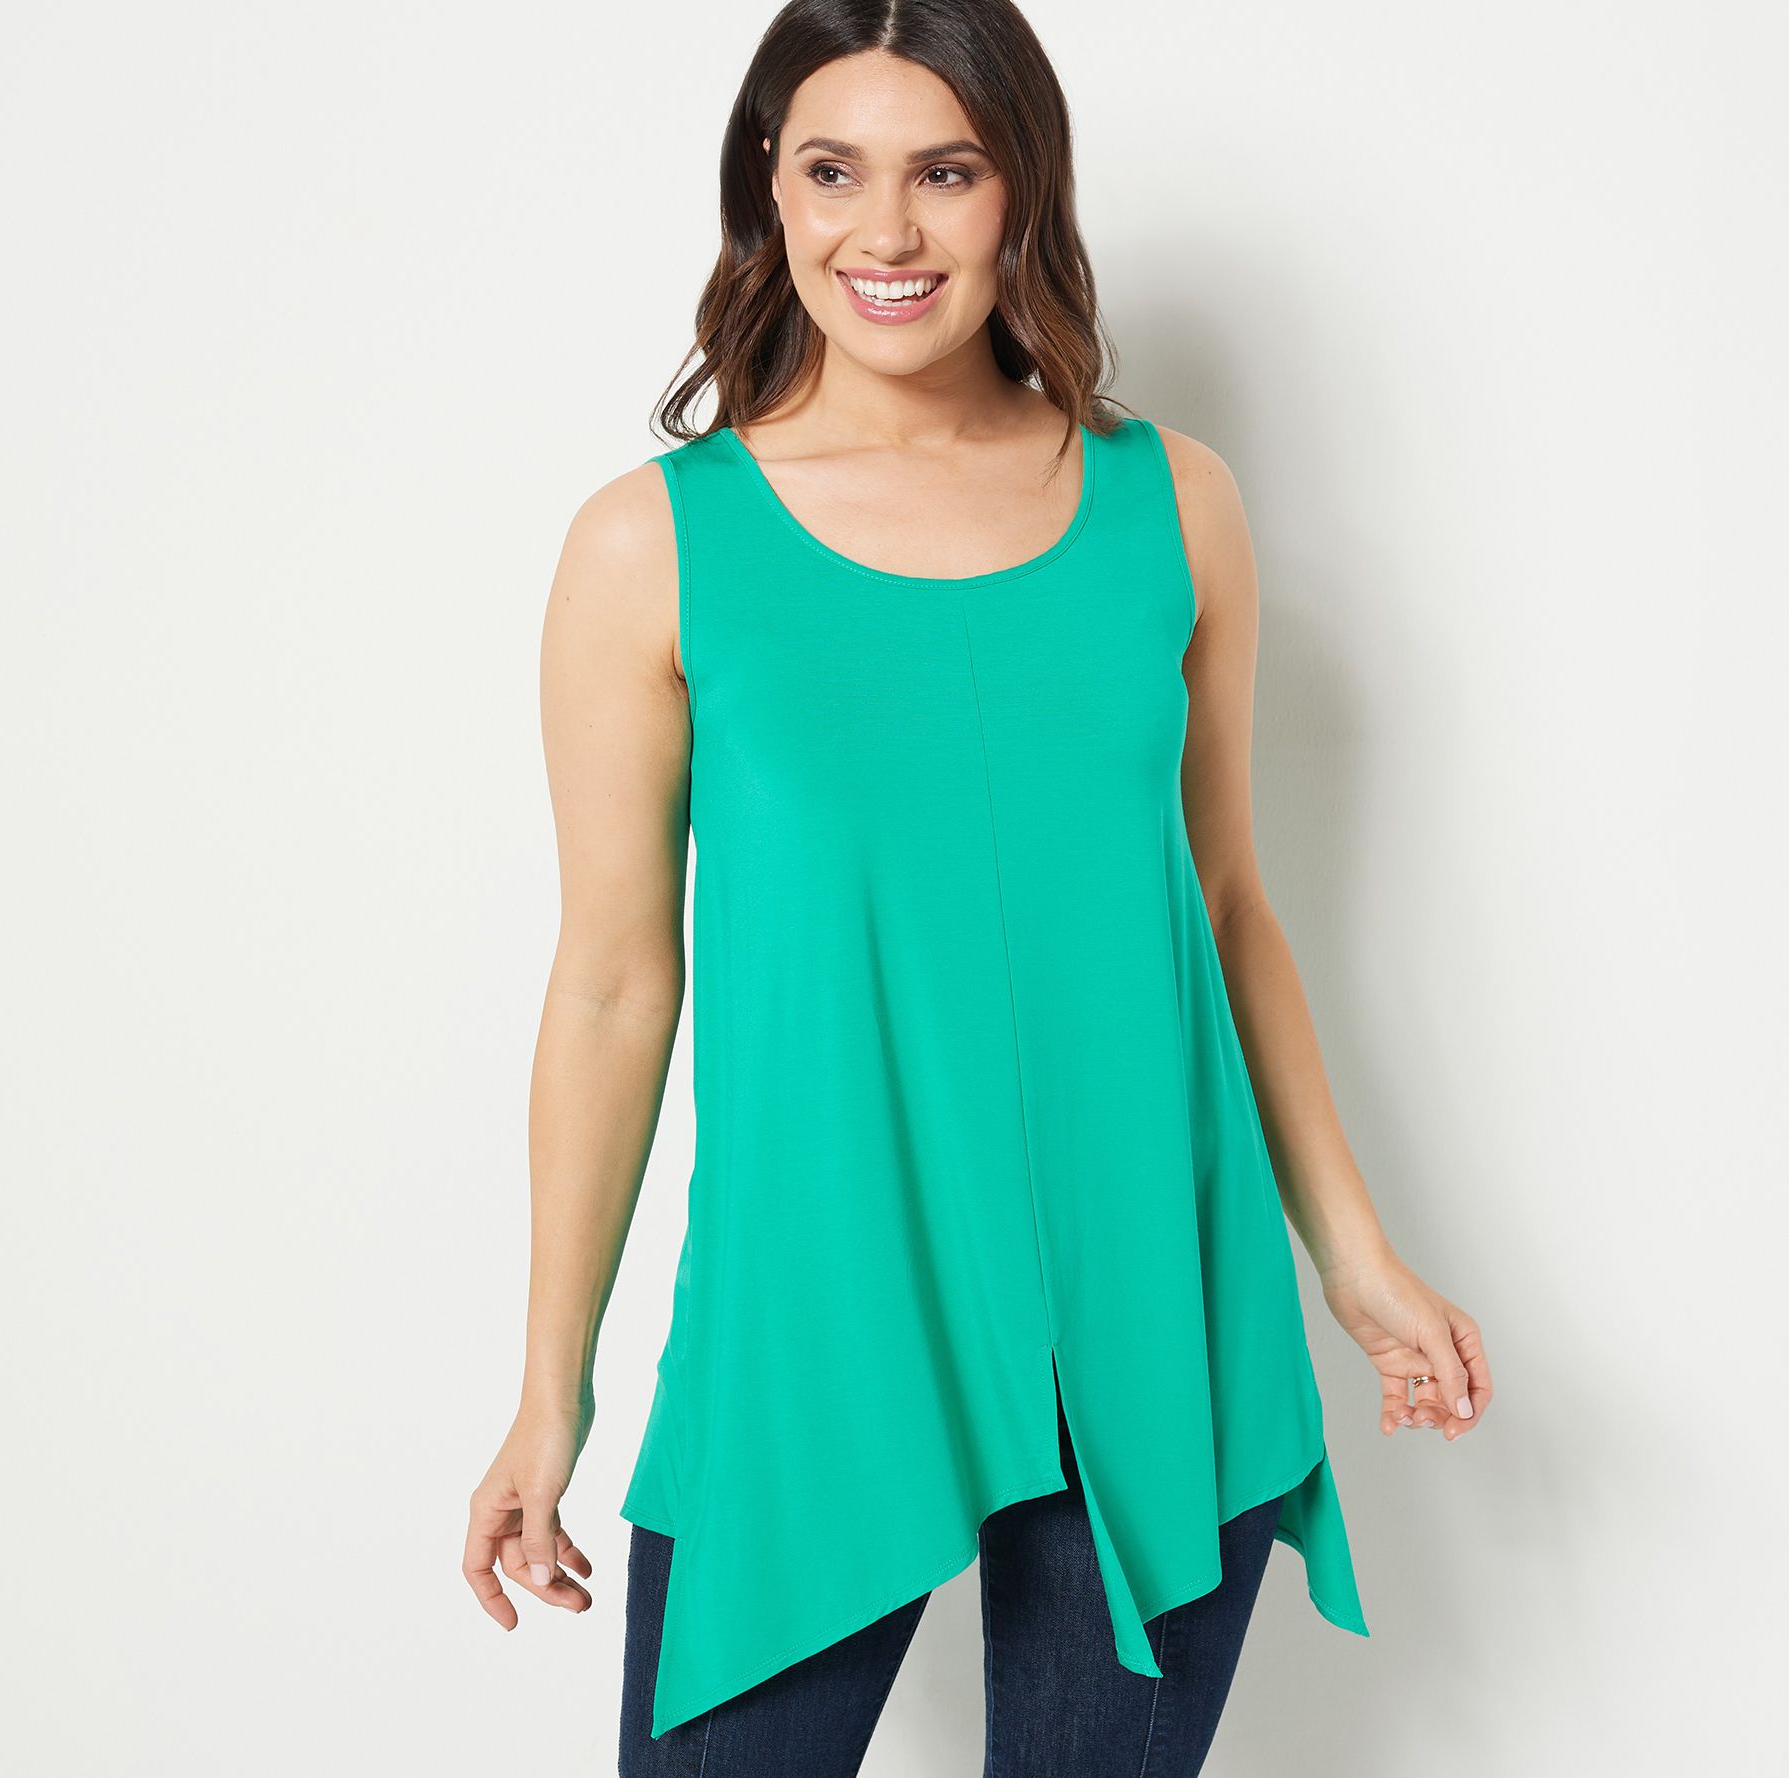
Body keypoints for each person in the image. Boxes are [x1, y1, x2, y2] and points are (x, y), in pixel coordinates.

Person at [465, 2, 1495, 1772]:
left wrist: (1357, 1257)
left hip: (1153, 1297)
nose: (887, 230)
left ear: (1022, 187)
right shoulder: (651, 543)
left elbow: (1228, 905)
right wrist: (548, 1391)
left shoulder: (1174, 501)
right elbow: (617, 983)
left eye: (946, 171)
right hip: (817, 1308)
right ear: (768, 191)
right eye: (833, 171)